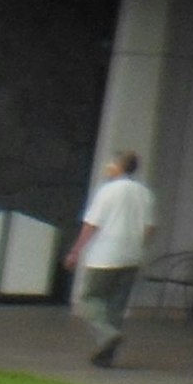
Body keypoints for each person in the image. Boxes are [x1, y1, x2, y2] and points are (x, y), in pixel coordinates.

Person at [69, 152, 157, 368]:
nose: (108, 166)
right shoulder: (144, 193)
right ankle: (106, 355)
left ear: (119, 166)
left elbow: (91, 224)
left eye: (111, 163)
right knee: (116, 307)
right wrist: (138, 247)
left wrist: (75, 250)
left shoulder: (107, 191)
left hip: (105, 255)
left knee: (90, 299)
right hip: (132, 256)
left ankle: (107, 334)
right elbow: (150, 227)